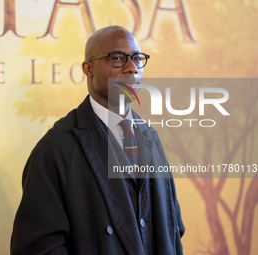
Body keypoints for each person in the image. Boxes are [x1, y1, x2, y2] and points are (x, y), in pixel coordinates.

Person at [11, 25, 184, 255]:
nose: (132, 69)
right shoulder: (57, 147)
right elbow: (38, 247)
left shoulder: (151, 138)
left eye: (137, 59)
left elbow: (173, 231)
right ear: (88, 68)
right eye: (118, 59)